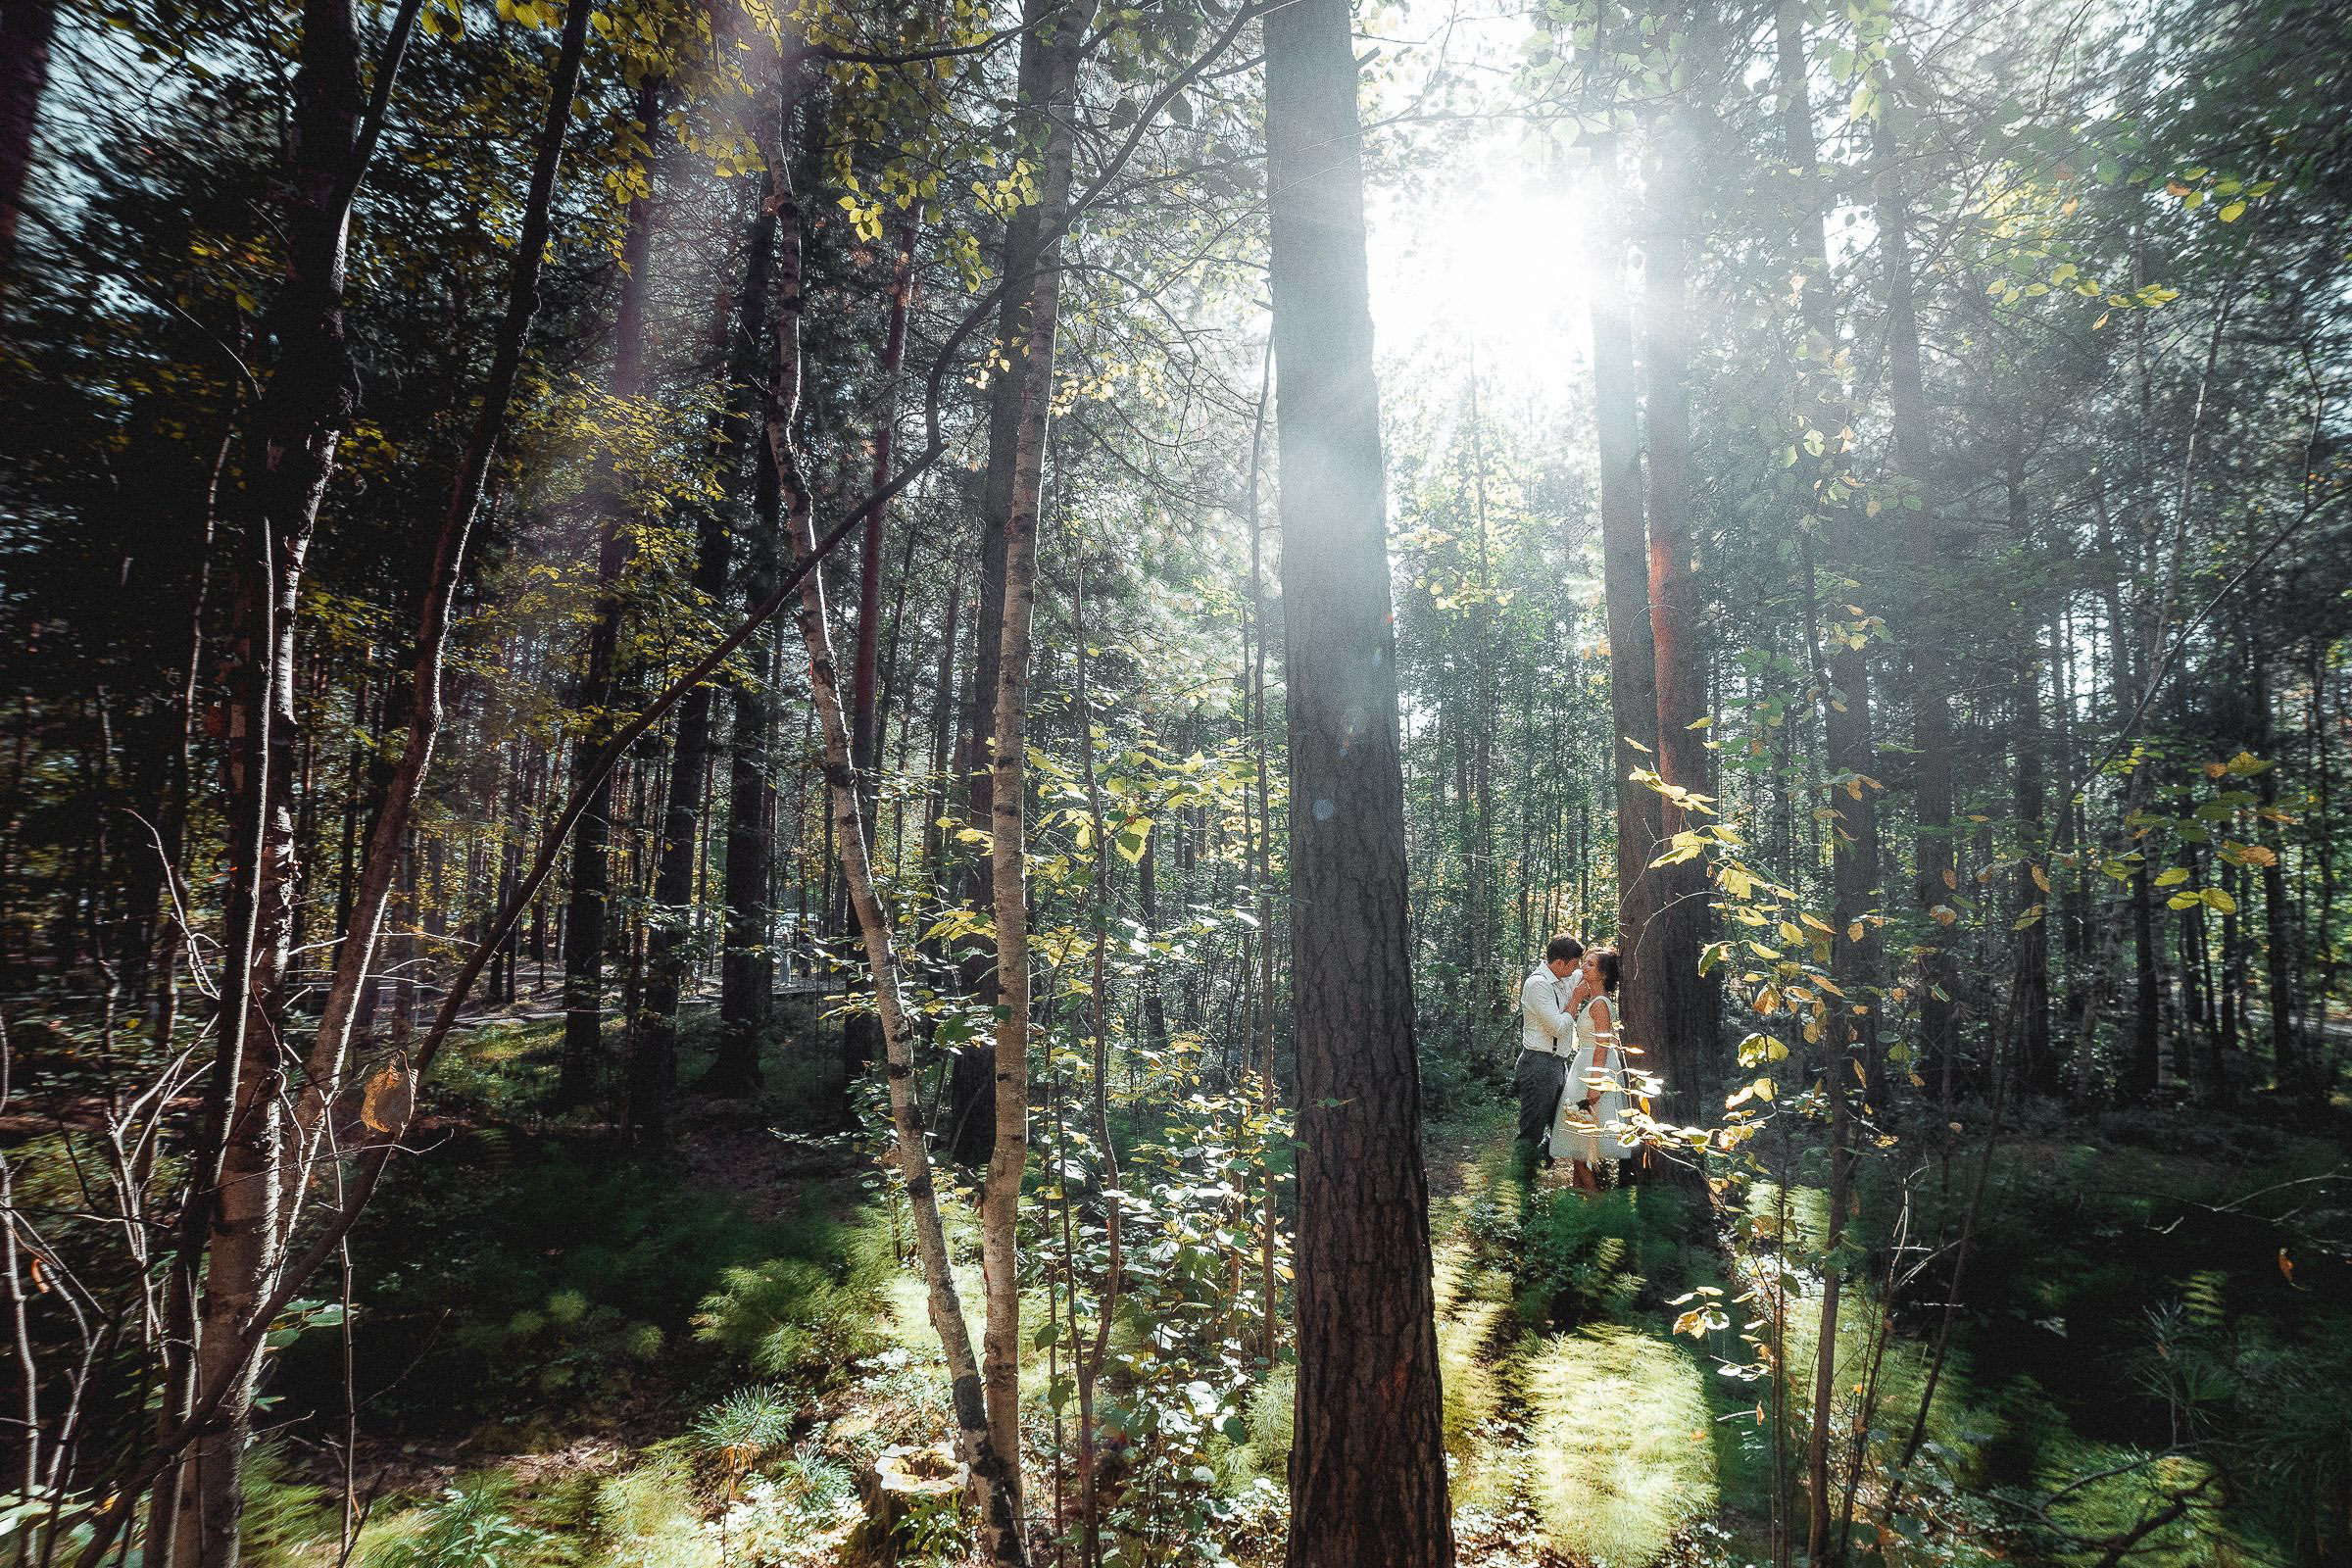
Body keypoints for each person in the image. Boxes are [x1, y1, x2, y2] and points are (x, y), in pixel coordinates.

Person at [1554, 947, 1636, 1192]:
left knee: (1583, 1150)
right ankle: (1581, 1205)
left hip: (1594, 1068)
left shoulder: (1600, 1004)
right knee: (1579, 1150)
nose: (1583, 967)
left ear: (1602, 974)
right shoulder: (1592, 1001)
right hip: (1585, 1065)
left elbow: (1603, 1045)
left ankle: (1597, 1209)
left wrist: (1595, 1084)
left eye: (1590, 964)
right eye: (1585, 963)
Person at [1514, 935, 1585, 1172]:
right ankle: (1520, 1184)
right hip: (1538, 1063)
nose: (1577, 969)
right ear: (1559, 963)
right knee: (1531, 1130)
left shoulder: (1565, 976)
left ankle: (1543, 1154)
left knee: (1562, 1123)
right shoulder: (1538, 984)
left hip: (1558, 1063)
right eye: (1574, 964)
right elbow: (1558, 1026)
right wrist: (1575, 1000)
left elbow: (1585, 975)